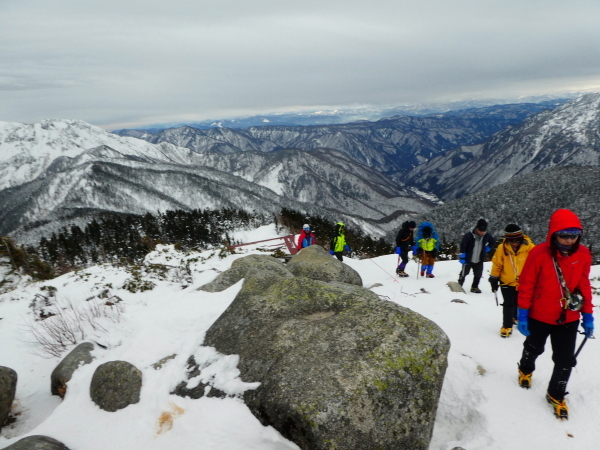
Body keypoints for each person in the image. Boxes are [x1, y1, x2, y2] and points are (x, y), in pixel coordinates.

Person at [516, 209, 594, 420]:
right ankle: (526, 368)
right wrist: (522, 313)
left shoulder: (583, 254)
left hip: (568, 316)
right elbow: (527, 284)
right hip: (539, 314)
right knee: (534, 347)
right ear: (553, 234)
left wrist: (588, 314)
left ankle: (556, 394)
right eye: (564, 235)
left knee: (565, 360)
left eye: (574, 235)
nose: (569, 240)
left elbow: (583, 285)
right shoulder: (539, 253)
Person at [489, 224, 535, 338]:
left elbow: (536, 265)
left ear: (521, 237)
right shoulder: (502, 248)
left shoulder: (530, 247)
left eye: (517, 240)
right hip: (507, 281)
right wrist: (494, 278)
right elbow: (497, 264)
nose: (514, 243)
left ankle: (517, 318)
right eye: (511, 240)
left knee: (522, 303)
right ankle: (506, 326)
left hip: (524, 282)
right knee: (508, 304)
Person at [458, 218, 496, 293]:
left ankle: (474, 287)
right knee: (464, 272)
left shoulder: (486, 236)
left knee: (478, 274)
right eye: (480, 231)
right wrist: (463, 255)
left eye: (483, 231)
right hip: (468, 258)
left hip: (479, 259)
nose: (482, 233)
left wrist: (488, 247)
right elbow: (463, 245)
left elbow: (493, 241)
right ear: (476, 228)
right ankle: (459, 285)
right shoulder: (469, 235)